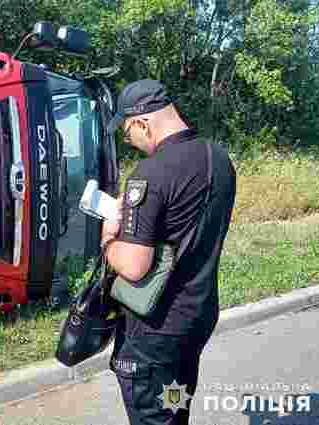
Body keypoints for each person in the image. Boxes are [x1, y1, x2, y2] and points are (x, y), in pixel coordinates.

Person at [101, 79, 237, 425]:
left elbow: (133, 266)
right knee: (175, 409)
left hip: (155, 332)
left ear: (142, 123)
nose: (130, 143)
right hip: (197, 317)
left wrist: (107, 238)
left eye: (128, 134)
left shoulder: (151, 173)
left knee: (155, 416)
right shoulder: (219, 160)